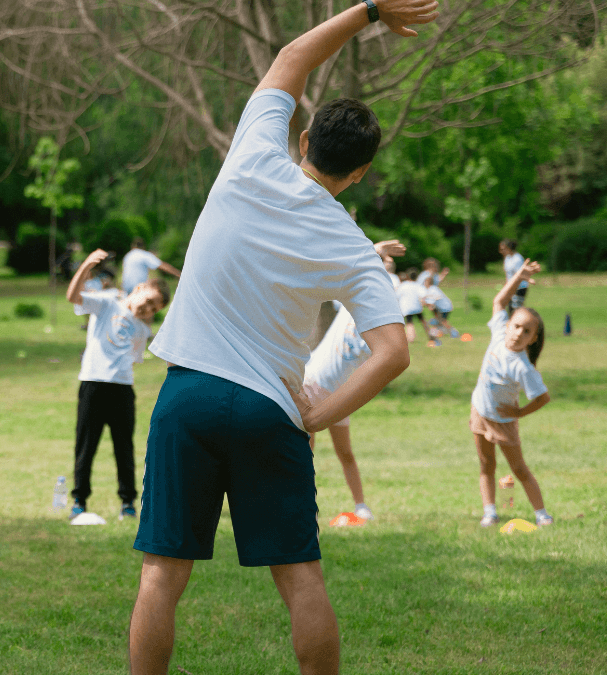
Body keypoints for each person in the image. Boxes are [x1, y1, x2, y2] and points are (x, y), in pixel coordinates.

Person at [127, 2, 434, 673]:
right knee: (301, 580)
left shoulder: (251, 157)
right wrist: (320, 412)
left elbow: (292, 60)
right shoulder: (351, 247)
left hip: (189, 398)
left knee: (161, 576)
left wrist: (370, 12)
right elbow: (394, 350)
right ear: (359, 174)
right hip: (272, 410)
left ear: (303, 142)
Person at [301, 240, 406, 523]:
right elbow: (354, 266)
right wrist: (376, 249)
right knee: (303, 453)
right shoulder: (351, 301)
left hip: (343, 395)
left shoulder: (385, 323)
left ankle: (361, 506)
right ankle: (303, 508)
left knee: (345, 452)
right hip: (313, 385)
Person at [65, 249, 169, 521]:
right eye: (149, 301)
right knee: (86, 444)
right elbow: (73, 297)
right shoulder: (108, 303)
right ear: (140, 288)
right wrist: (87, 265)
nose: (148, 310)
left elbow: (133, 359)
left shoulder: (142, 330)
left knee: (123, 447)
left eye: (154, 309)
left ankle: (128, 502)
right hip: (93, 383)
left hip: (122, 389)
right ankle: (79, 499)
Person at [472, 258, 552, 528]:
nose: (519, 333)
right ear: (508, 325)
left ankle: (542, 514)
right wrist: (518, 276)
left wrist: (518, 412)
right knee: (486, 464)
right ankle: (490, 512)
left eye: (527, 331)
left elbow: (543, 397)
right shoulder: (498, 333)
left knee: (519, 469)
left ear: (533, 339)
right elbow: (499, 301)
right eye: (516, 326)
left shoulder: (523, 367)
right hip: (480, 411)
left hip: (504, 421)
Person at [395, 268, 431, 343]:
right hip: (417, 307)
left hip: (407, 308)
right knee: (423, 321)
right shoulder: (417, 285)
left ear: (407, 276)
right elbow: (424, 295)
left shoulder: (403, 285)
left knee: (409, 323)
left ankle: (411, 339)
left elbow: (397, 295)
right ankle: (430, 335)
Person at [500, 239, 528, 310]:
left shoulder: (518, 259)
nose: (501, 251)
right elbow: (508, 274)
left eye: (503, 249)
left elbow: (519, 275)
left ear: (508, 248)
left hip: (519, 287)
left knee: (516, 309)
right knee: (510, 308)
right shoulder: (507, 258)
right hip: (510, 287)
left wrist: (513, 288)